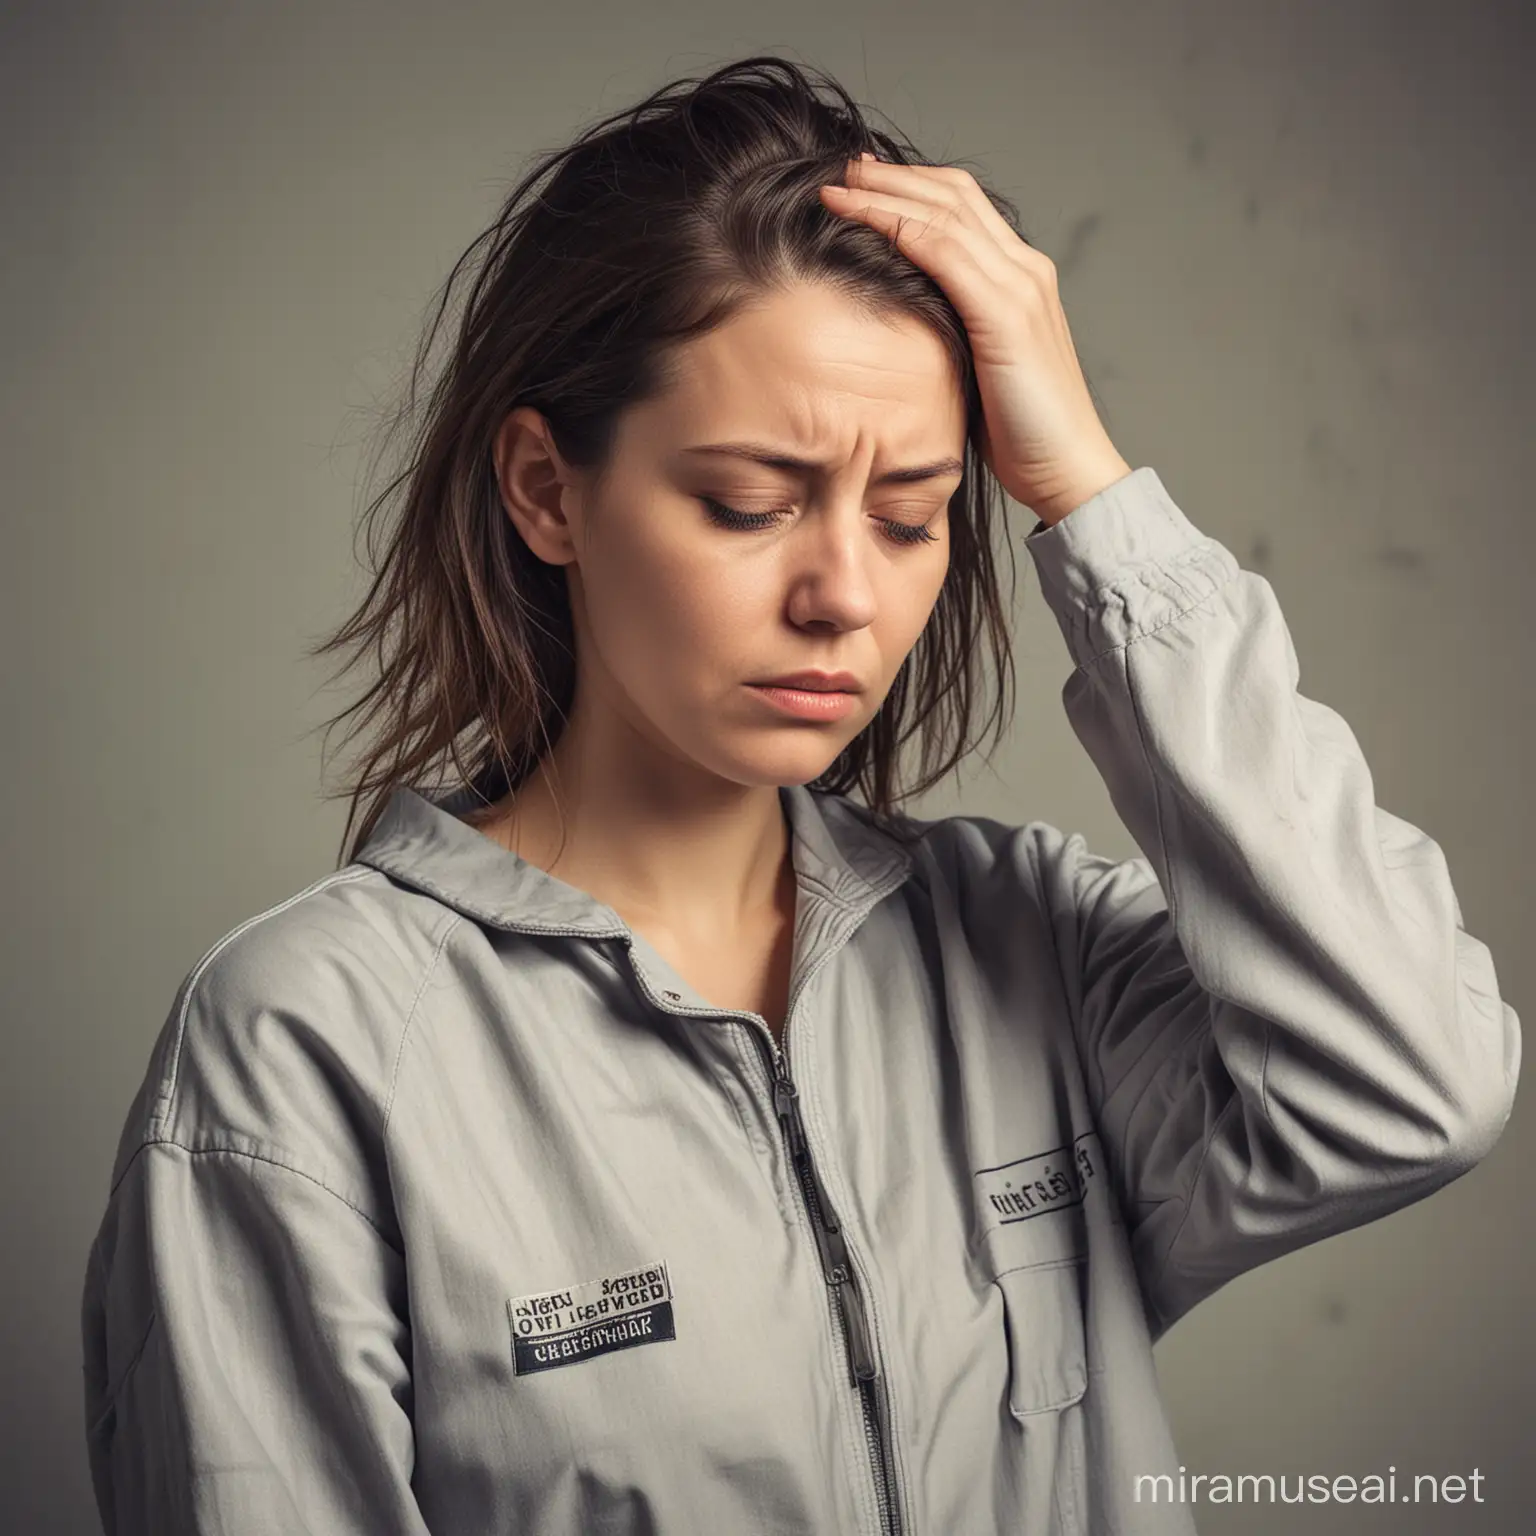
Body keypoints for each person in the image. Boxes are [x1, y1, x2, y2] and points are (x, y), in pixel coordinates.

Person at [79, 54, 1519, 1536]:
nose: (843, 594)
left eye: (911, 518)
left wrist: (1089, 490)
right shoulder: (305, 1048)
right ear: (545, 489)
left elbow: (1413, 1085)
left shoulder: (1031, 949)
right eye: (749, 505)